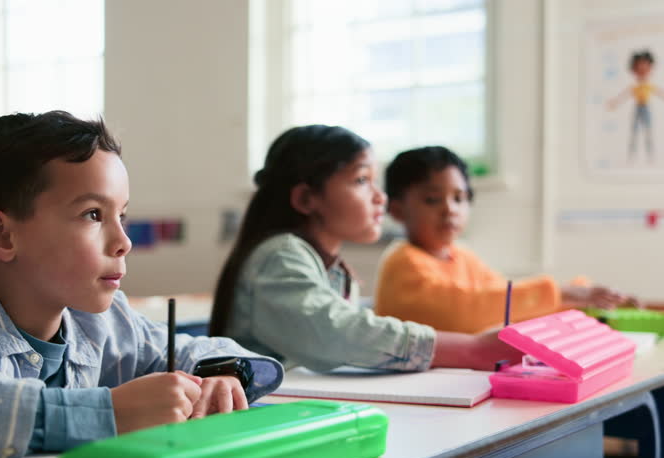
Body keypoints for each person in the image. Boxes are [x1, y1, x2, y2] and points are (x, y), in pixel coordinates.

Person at [0, 111, 284, 458]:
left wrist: (225, 376)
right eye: (93, 214)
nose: (123, 241)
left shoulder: (102, 320)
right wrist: (106, 414)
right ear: (2, 235)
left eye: (123, 214)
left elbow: (234, 359)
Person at [209, 124, 520, 374]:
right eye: (361, 180)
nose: (380, 197)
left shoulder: (324, 263)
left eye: (375, 181)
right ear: (306, 199)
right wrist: (472, 349)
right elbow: (338, 333)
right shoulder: (280, 255)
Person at [375, 146, 635, 333]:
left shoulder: (462, 255)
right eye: (432, 199)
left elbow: (507, 303)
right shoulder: (403, 262)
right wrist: (562, 292)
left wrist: (583, 299)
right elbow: (462, 313)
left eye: (460, 198)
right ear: (397, 210)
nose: (450, 209)